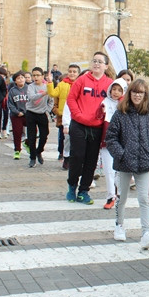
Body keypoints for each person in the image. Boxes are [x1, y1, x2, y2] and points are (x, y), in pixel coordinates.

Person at [105, 79, 149, 249]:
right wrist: (121, 154)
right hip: (124, 162)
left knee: (144, 198)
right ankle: (119, 225)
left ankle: (146, 231)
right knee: (122, 197)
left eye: (141, 92)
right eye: (134, 92)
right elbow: (111, 138)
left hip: (143, 161)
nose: (137, 95)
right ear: (129, 94)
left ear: (145, 95)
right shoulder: (120, 114)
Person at [65, 52, 113, 204]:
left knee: (92, 161)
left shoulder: (110, 84)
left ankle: (83, 191)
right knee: (77, 157)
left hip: (97, 127)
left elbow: (116, 101)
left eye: (100, 61)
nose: (97, 64)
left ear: (106, 65)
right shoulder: (82, 79)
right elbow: (71, 98)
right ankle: (72, 186)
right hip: (79, 124)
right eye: (94, 61)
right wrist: (78, 115)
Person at [98, 77, 127, 210]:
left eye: (119, 90)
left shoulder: (126, 105)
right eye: (114, 89)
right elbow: (99, 116)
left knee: (119, 171)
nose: (115, 92)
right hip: (106, 140)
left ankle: (120, 194)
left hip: (121, 141)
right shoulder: (105, 102)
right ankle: (111, 196)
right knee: (109, 170)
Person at [48, 64, 81, 166]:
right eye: (70, 71)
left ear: (78, 74)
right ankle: (65, 155)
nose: (72, 73)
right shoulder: (62, 84)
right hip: (64, 115)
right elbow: (53, 94)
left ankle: (74, 156)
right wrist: (50, 82)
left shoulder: (81, 84)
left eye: (74, 72)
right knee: (65, 137)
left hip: (77, 115)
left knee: (75, 138)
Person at [25, 67, 54, 168]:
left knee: (44, 135)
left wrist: (47, 110)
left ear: (42, 76)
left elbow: (51, 100)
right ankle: (32, 157)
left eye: (38, 75)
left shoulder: (47, 86)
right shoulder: (30, 87)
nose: (35, 77)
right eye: (34, 75)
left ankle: (39, 151)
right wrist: (44, 93)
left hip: (42, 113)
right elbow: (32, 97)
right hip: (31, 113)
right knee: (31, 136)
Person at [7, 71, 28, 159]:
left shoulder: (29, 88)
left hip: (28, 113)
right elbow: (10, 104)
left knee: (33, 131)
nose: (21, 80)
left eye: (22, 78)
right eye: (18, 78)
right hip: (16, 115)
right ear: (15, 81)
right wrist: (17, 112)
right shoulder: (12, 90)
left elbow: (33, 101)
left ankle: (27, 143)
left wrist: (27, 111)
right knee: (17, 132)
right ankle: (17, 150)